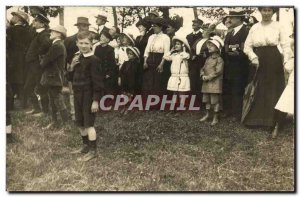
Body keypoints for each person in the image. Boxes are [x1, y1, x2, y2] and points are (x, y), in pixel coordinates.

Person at [242, 7, 293, 128]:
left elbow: (286, 46)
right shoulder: (255, 27)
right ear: (260, 11)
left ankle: (273, 121)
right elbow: (247, 47)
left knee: (273, 87)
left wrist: (286, 61)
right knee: (258, 87)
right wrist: (253, 57)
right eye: (264, 10)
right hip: (258, 59)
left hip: (273, 59)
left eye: (269, 10)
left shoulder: (278, 26)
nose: (266, 13)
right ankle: (256, 119)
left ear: (273, 12)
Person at [67, 31, 104, 162]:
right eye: (81, 43)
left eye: (86, 43)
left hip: (88, 95)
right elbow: (70, 78)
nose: (83, 46)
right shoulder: (77, 58)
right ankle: (85, 146)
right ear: (77, 43)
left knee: (89, 124)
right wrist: (71, 67)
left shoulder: (94, 60)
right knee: (79, 122)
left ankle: (93, 151)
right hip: (77, 94)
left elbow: (98, 83)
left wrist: (95, 101)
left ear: (91, 44)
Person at [40, 25, 69, 128]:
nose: (50, 33)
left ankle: (65, 123)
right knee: (54, 99)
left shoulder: (57, 45)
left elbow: (45, 61)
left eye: (53, 31)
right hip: (54, 77)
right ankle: (55, 122)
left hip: (54, 77)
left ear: (59, 34)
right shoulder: (58, 45)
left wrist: (42, 59)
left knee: (57, 99)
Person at [223, 10, 250, 121]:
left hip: (240, 66)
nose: (229, 20)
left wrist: (232, 50)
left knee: (238, 89)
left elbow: (242, 51)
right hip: (229, 66)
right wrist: (233, 49)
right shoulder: (230, 32)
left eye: (232, 18)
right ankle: (229, 110)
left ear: (239, 19)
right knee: (229, 88)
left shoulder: (245, 32)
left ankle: (237, 113)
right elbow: (225, 49)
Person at [24, 13, 51, 115]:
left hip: (38, 66)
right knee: (28, 87)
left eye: (36, 21)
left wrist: (36, 54)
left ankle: (44, 111)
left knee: (41, 88)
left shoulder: (44, 34)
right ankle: (37, 108)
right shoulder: (38, 33)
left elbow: (47, 44)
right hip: (32, 66)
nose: (33, 22)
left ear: (42, 24)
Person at [64, 17, 91, 120]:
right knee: (73, 92)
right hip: (74, 69)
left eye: (87, 26)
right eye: (83, 25)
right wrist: (67, 68)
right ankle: (74, 113)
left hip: (87, 69)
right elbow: (65, 56)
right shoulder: (70, 39)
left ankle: (85, 112)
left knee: (86, 91)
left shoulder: (90, 39)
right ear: (78, 26)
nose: (85, 28)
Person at [6, 11, 32, 109]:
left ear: (19, 19)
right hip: (24, 59)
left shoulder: (9, 30)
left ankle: (10, 105)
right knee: (23, 80)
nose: (13, 17)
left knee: (11, 81)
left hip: (12, 59)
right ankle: (23, 104)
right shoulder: (28, 31)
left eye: (14, 16)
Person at [200, 36, 224, 126]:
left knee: (215, 101)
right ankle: (207, 114)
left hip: (215, 83)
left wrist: (208, 77)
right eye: (209, 45)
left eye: (212, 46)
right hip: (206, 82)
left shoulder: (219, 59)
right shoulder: (208, 59)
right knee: (207, 100)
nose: (209, 47)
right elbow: (203, 68)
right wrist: (202, 74)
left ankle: (215, 117)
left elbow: (218, 72)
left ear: (217, 48)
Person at [273, 37, 294, 138]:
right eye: (293, 47)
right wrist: (287, 60)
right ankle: (277, 126)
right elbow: (288, 67)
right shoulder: (293, 59)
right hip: (292, 85)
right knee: (283, 105)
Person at [143, 17, 170, 96]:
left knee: (158, 82)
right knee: (149, 81)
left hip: (159, 60)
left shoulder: (166, 37)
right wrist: (145, 61)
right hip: (150, 59)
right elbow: (147, 50)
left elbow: (166, 52)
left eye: (155, 26)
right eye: (152, 26)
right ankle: (148, 103)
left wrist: (161, 64)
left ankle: (157, 104)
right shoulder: (151, 37)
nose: (153, 27)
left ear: (160, 27)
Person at [164, 36, 191, 111]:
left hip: (182, 76)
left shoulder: (185, 55)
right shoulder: (174, 55)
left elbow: (185, 56)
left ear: (182, 45)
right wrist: (171, 50)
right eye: (175, 44)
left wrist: (184, 49)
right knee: (174, 93)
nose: (176, 45)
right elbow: (165, 57)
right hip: (174, 76)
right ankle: (173, 109)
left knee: (181, 94)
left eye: (178, 44)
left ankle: (181, 109)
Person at [186, 18, 204, 107]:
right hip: (190, 62)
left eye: (196, 23)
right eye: (193, 22)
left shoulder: (203, 35)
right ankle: (192, 102)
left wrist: (197, 56)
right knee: (191, 81)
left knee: (199, 81)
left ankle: (199, 103)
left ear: (200, 25)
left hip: (200, 61)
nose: (193, 24)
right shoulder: (188, 36)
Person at [94, 31, 118, 96]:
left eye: (103, 37)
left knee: (107, 91)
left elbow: (112, 63)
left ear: (107, 40)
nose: (100, 38)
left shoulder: (110, 49)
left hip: (107, 74)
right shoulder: (97, 48)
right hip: (98, 72)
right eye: (101, 36)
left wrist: (109, 74)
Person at [119, 47, 140, 114]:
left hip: (132, 82)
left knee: (130, 95)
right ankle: (125, 107)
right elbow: (121, 72)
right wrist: (119, 79)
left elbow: (137, 75)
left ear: (135, 55)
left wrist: (136, 83)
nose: (129, 55)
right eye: (128, 54)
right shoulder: (126, 63)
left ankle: (129, 107)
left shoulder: (137, 64)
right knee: (124, 94)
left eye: (131, 54)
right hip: (125, 81)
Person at [135, 19, 152, 93]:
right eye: (138, 26)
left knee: (144, 78)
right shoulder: (138, 37)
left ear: (145, 27)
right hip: (137, 60)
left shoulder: (149, 37)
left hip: (145, 59)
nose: (139, 27)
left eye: (140, 26)